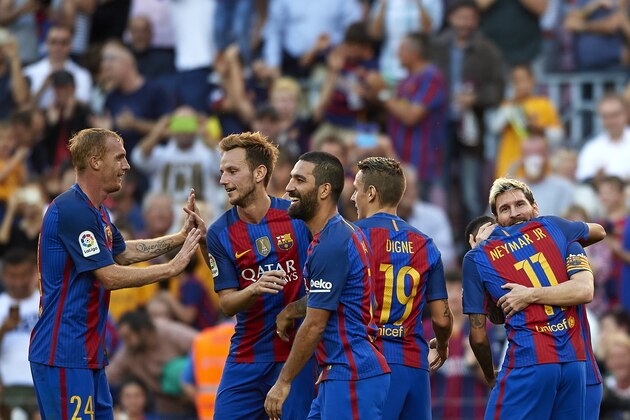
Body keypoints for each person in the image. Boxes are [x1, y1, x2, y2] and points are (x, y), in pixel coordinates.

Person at [28, 128, 202, 418]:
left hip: (87, 353)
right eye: (119, 157)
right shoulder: (72, 210)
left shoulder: (98, 212)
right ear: (95, 162)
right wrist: (171, 268)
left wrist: (179, 237)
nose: (127, 165)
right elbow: (108, 275)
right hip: (63, 353)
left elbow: (124, 253)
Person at [463, 178, 605, 419]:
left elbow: (584, 290)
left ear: (535, 208)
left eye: (520, 204)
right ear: (497, 221)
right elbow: (499, 315)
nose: (515, 213)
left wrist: (528, 294)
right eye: (505, 209)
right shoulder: (558, 230)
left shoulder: (562, 237)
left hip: (550, 366)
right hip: (576, 366)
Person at [265, 152, 391, 419]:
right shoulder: (342, 234)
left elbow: (314, 324)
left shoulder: (331, 245)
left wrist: (283, 382)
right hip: (337, 375)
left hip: (351, 375)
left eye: (299, 180)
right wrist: (290, 310)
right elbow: (357, 299)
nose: (289, 188)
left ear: (324, 190)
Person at [204, 132, 315, 419]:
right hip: (247, 354)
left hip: (296, 355)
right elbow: (226, 304)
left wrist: (294, 308)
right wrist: (253, 288)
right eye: (221, 172)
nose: (223, 180)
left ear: (259, 173)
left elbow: (328, 284)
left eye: (232, 171)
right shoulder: (219, 232)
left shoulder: (296, 216)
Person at [351, 156, 452, 419]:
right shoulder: (425, 244)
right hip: (414, 364)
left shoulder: (351, 236)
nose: (352, 197)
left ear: (371, 193)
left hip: (369, 362)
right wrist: (441, 346)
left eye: (356, 190)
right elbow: (441, 318)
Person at [0, 248, 40, 420]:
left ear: (34, 273)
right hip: (6, 386)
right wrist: (4, 329)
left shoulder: (46, 303)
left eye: (23, 275)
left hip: (41, 384)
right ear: (3, 276)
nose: (18, 282)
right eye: (12, 276)